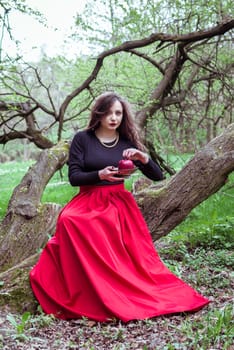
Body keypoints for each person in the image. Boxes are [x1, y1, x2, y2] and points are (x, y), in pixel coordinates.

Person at [30, 92, 209, 322]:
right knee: (70, 220)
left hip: (117, 200)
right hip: (88, 198)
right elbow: (74, 177)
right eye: (109, 112)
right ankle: (88, 284)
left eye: (118, 113)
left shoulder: (126, 142)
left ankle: (116, 285)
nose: (113, 118)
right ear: (99, 113)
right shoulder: (82, 139)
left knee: (106, 224)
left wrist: (143, 158)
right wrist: (99, 174)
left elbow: (157, 175)